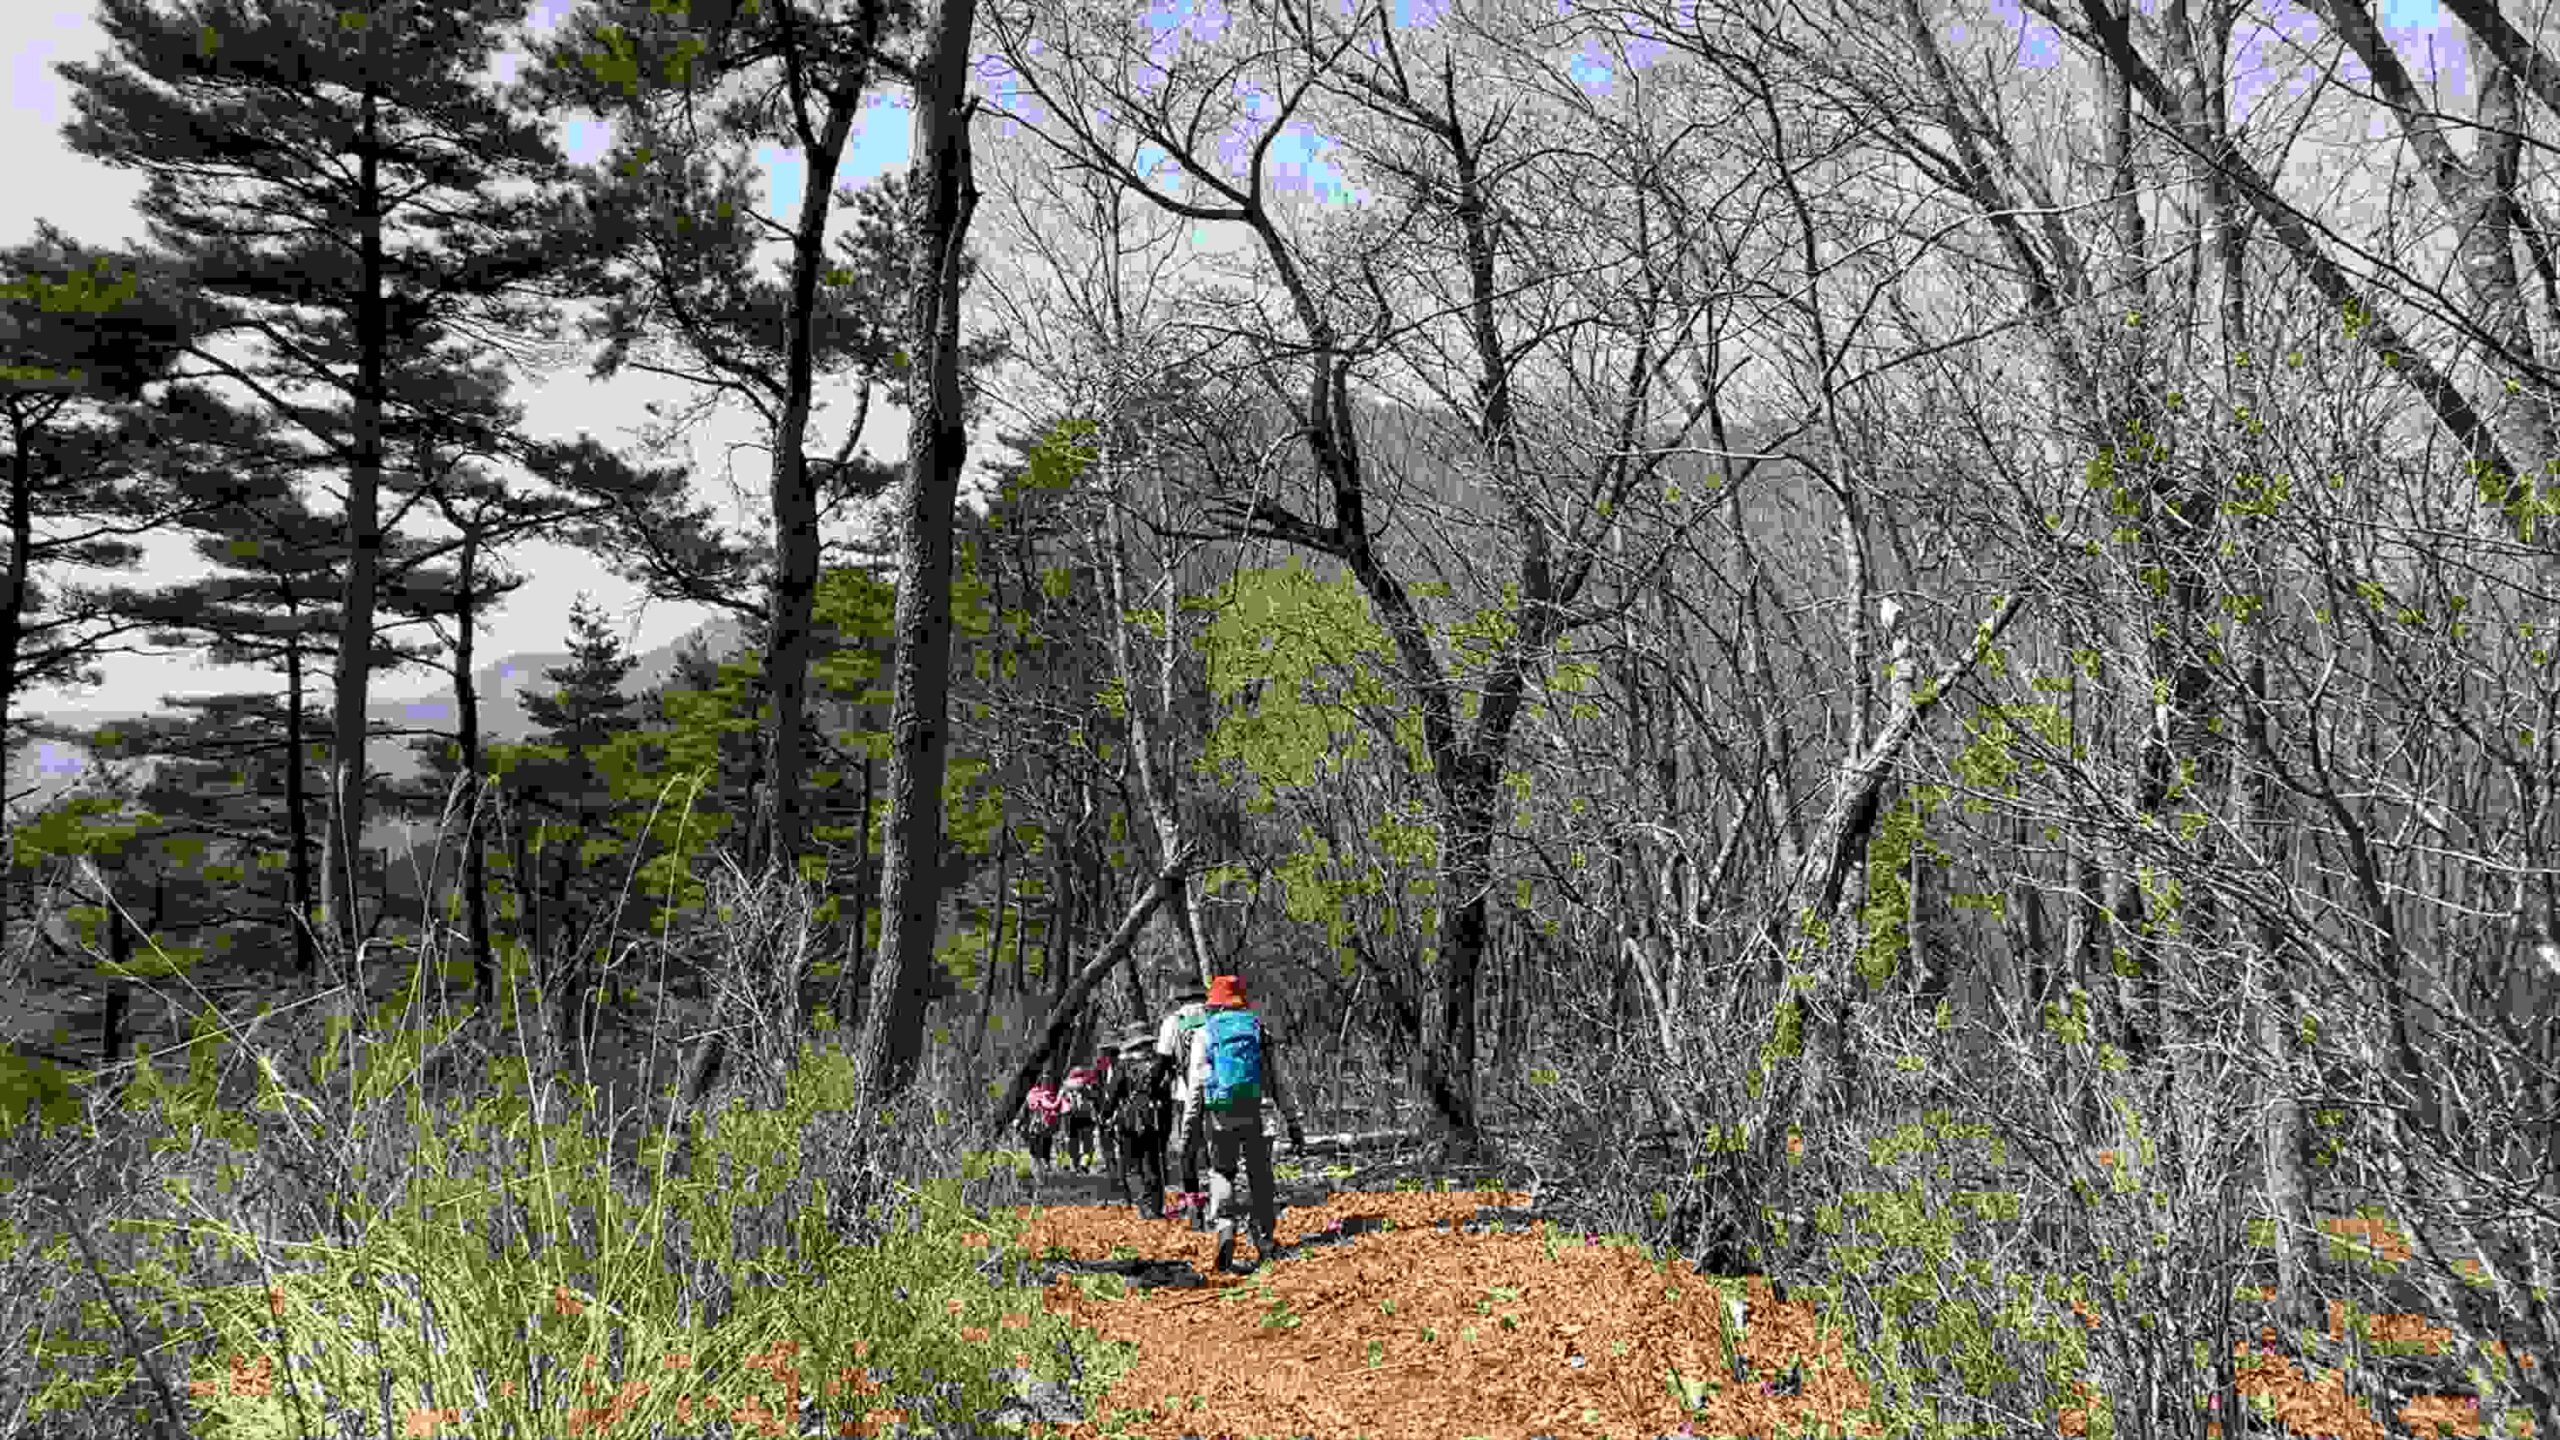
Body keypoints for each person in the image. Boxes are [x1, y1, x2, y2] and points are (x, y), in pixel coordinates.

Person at [1182, 973, 1306, 1275]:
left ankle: (1225, 1227)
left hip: (1220, 1114)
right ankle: (1264, 1240)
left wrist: (1189, 1128)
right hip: (1257, 1112)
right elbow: (1278, 1081)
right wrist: (1292, 1121)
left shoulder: (1205, 1033)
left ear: (1215, 1004)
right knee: (1260, 1176)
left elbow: (1197, 1085)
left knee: (1222, 1171)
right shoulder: (1258, 1030)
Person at [1153, 983, 1212, 1225]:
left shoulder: (1173, 1022)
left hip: (1185, 1093)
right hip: (1217, 1091)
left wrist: (1152, 1090)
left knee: (1188, 1149)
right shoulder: (1214, 1016)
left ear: (1179, 998)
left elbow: (1162, 1062)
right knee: (1215, 1148)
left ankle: (1193, 1202)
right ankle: (1217, 1200)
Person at [1100, 1027, 1172, 1217]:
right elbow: (1166, 1093)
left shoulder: (1124, 1066)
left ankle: (1144, 1206)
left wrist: (1105, 1115)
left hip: (1129, 1119)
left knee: (1132, 1165)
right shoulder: (1160, 1063)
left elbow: (1113, 1094)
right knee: (1152, 1163)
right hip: (1153, 1118)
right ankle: (1155, 1207)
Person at [1058, 1064, 1100, 1172]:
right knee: (1087, 1143)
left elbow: (1060, 1102)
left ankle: (1075, 1165)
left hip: (1071, 1117)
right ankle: (1084, 1163)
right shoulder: (1086, 1085)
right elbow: (1095, 1098)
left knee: (1073, 1143)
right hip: (1086, 1117)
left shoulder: (1066, 1086)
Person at [1020, 1080, 1061, 1169]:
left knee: (1036, 1150)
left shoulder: (1030, 1096)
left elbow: (1025, 1112)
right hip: (1043, 1127)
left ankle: (1040, 1166)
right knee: (1045, 1147)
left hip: (1035, 1128)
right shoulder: (1044, 1095)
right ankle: (1045, 1164)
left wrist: (1023, 1125)